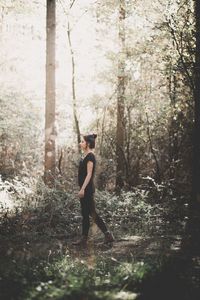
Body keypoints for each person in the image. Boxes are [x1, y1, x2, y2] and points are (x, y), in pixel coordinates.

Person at [72, 133, 114, 246]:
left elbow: (89, 174)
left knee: (92, 213)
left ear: (88, 143)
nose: (80, 143)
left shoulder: (90, 156)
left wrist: (83, 189)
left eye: (82, 141)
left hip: (87, 189)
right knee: (85, 214)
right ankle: (84, 238)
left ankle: (108, 234)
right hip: (84, 189)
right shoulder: (84, 156)